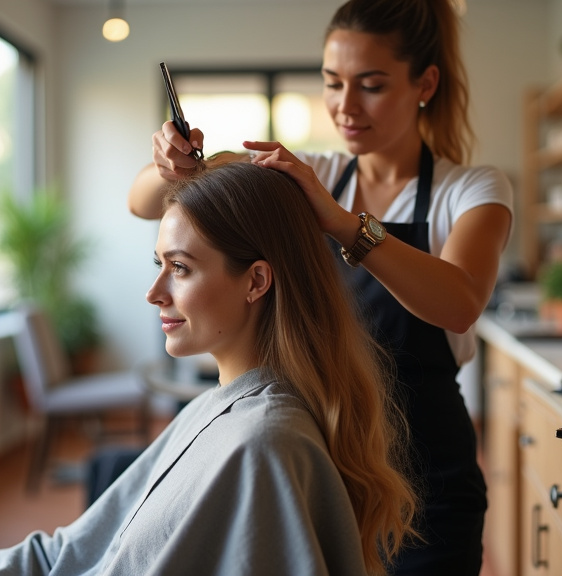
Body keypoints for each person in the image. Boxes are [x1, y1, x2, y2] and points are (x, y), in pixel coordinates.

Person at [127, 1, 513, 574]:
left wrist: (342, 221)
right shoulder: (311, 171)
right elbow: (143, 203)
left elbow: (458, 304)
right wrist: (170, 166)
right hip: (322, 459)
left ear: (424, 82)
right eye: (332, 83)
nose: (345, 107)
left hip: (429, 471)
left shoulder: (472, 190)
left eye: (371, 85)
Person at [0, 162, 418, 576]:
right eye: (159, 264)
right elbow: (70, 554)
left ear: (256, 281)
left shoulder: (263, 444)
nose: (155, 293)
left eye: (181, 268)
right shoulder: (220, 411)